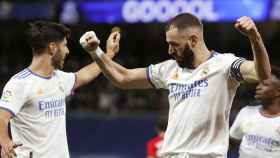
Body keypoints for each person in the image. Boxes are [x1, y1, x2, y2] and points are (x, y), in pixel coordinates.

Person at [79, 13, 271, 158]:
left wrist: (254, 37)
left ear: (193, 40)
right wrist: (96, 52)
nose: (170, 50)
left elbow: (263, 74)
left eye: (174, 44)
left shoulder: (225, 65)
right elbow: (123, 78)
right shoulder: (169, 69)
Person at [0, 21, 119, 158]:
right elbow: (2, 117)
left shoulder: (60, 78)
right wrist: (5, 141)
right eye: (65, 46)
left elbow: (84, 75)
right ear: (52, 48)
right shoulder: (19, 83)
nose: (67, 51)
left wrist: (109, 54)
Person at [230, 67, 280, 158]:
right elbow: (232, 142)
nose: (258, 87)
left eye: (265, 84)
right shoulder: (246, 112)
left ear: (278, 91)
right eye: (258, 83)